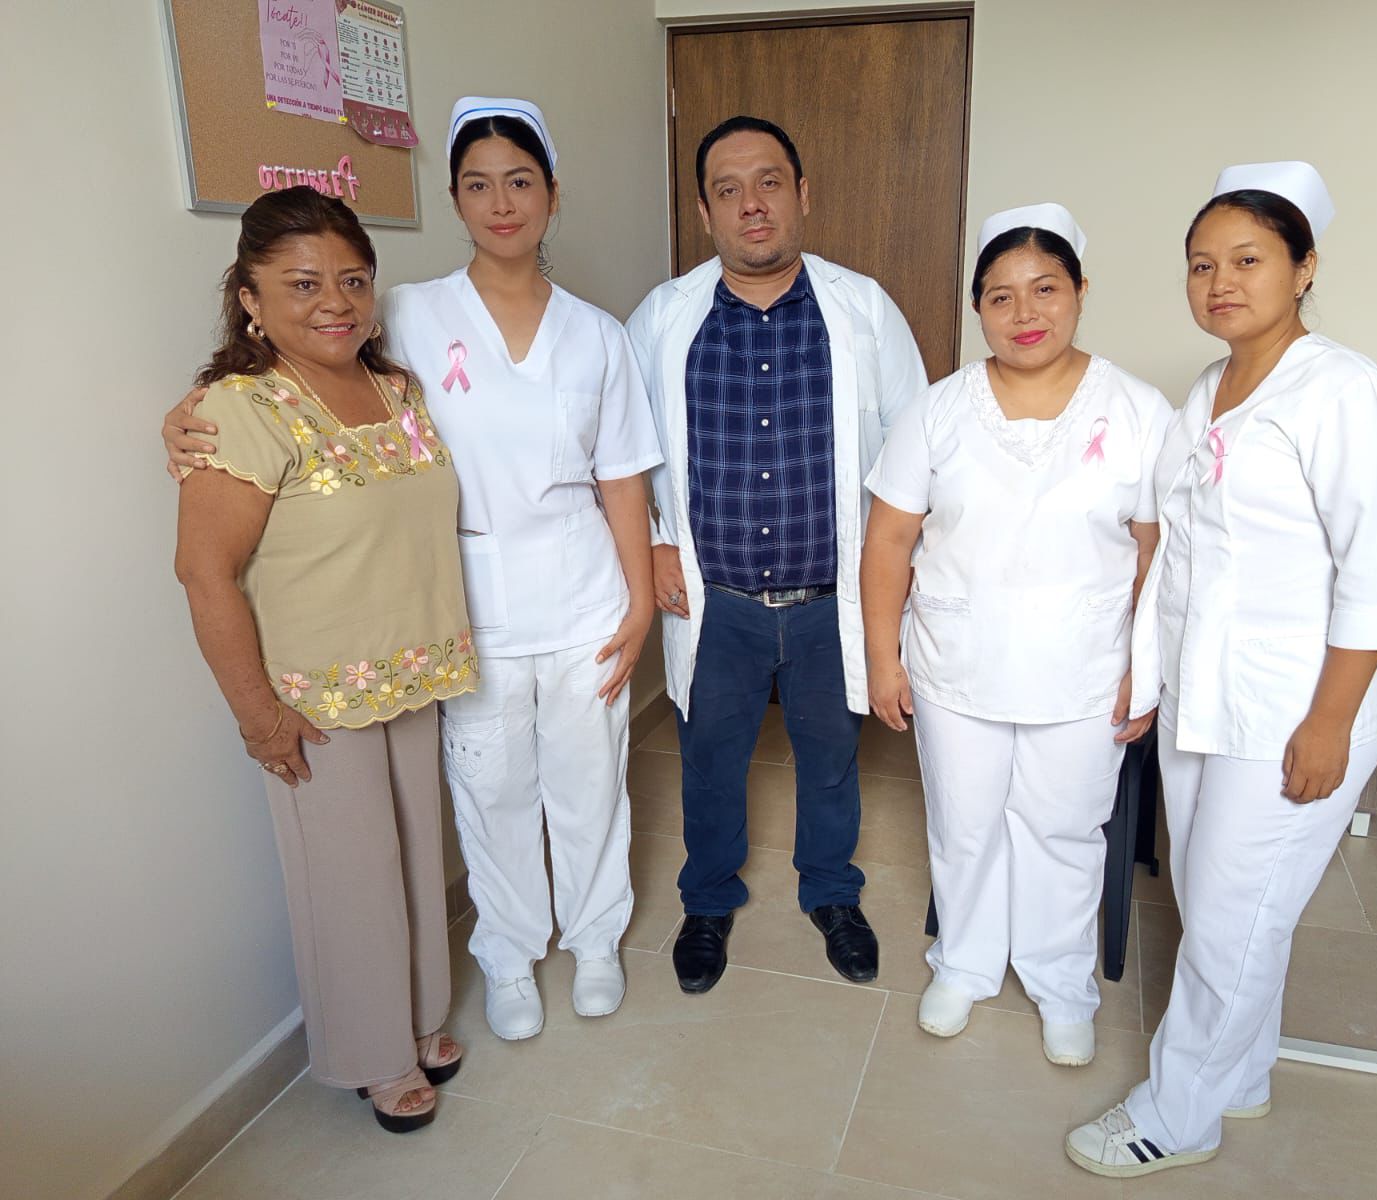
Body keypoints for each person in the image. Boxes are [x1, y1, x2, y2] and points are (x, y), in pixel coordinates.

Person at [164, 98, 661, 1043]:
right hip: (460, 608)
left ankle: (596, 939)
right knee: (490, 789)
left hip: (584, 592)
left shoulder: (599, 333)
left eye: (520, 182)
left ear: (553, 196)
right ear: (455, 200)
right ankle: (508, 954)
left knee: (592, 779)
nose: (501, 203)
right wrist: (186, 414)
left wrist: (638, 603)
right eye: (478, 185)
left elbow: (623, 475)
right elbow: (292, 372)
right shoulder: (405, 314)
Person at [1065, 162, 1377, 1177]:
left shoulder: (1344, 391)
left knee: (1228, 918)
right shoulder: (1207, 390)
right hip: (1204, 696)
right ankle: (1241, 1070)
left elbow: (1375, 574)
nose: (1220, 282)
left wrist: (1329, 723)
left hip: (1295, 706)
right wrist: (1147, 676)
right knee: (1221, 901)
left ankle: (1178, 1115)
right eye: (1201, 264)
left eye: (1248, 260)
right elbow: (1179, 554)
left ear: (1304, 268)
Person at [174, 187, 474, 1133]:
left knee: (414, 865)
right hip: (316, 703)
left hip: (411, 675)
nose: (335, 301)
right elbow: (204, 574)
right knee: (348, 885)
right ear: (250, 299)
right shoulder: (242, 409)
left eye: (352, 279)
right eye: (302, 283)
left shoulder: (398, 391)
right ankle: (375, 1059)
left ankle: (418, 1017)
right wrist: (259, 718)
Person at [625, 115, 927, 994]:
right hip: (713, 597)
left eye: (769, 183)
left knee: (830, 760)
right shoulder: (664, 317)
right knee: (709, 760)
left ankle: (832, 892)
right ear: (705, 211)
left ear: (802, 194)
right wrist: (655, 541)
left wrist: (898, 575)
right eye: (728, 190)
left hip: (831, 593)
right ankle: (708, 901)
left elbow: (915, 445)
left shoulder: (862, 310)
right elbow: (622, 447)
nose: (751, 204)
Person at [860, 204, 1167, 1066]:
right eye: (1001, 296)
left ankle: (1061, 983)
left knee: (1064, 831)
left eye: (1045, 289)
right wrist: (882, 659)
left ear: (1080, 292)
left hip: (1084, 670)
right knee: (964, 825)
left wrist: (1144, 670)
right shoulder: (937, 410)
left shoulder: (1139, 411)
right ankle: (962, 964)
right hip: (956, 662)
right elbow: (887, 542)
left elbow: (1157, 554)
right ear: (978, 308)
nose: (1025, 313)